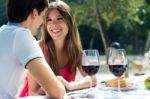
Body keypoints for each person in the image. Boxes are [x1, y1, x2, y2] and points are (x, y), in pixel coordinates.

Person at [19, 0, 97, 97]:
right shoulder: (37, 48)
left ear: (69, 22)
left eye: (59, 18)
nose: (54, 25)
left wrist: (71, 85)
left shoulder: (75, 51)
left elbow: (92, 78)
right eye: (49, 20)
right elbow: (32, 92)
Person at [0, 0, 66, 98]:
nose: (42, 22)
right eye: (43, 16)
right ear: (35, 13)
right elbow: (58, 93)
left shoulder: (3, 31)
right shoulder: (22, 36)